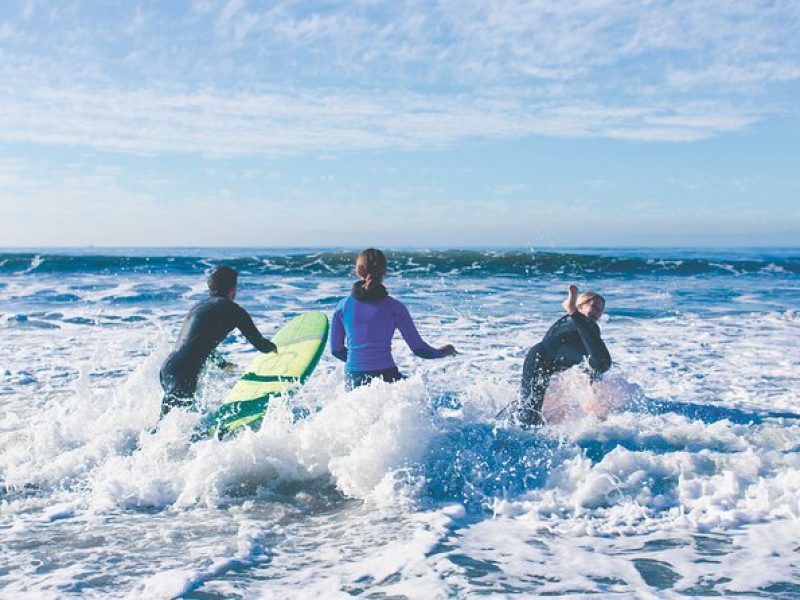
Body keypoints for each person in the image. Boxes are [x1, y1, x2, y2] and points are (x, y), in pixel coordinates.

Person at [330, 248, 457, 389]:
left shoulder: (342, 307)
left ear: (358, 271)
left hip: (354, 378)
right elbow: (419, 349)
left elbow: (336, 350)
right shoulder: (395, 307)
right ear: (384, 272)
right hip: (387, 376)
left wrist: (361, 363)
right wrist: (444, 352)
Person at [159, 265, 277, 416]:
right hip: (183, 374)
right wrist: (277, 347)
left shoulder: (199, 307)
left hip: (168, 369)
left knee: (172, 423)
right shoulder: (234, 310)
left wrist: (222, 364)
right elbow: (261, 345)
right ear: (233, 288)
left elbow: (197, 344)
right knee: (177, 429)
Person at [516, 284, 611, 427]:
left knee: (533, 411)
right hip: (537, 360)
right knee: (529, 414)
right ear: (580, 306)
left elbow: (590, 365)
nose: (597, 313)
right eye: (594, 306)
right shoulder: (580, 324)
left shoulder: (584, 329)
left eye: (600, 311)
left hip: (546, 361)